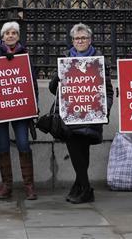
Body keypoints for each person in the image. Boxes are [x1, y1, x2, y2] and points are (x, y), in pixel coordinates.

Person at [48, 23, 113, 204]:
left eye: (83, 38)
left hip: (91, 115)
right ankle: (84, 188)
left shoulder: (99, 61)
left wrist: (104, 110)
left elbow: (107, 90)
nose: (80, 41)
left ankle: (82, 188)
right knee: (76, 152)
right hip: (70, 116)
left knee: (82, 154)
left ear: (90, 40)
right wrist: (58, 77)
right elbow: (54, 89)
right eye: (77, 38)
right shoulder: (66, 59)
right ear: (72, 41)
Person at [0, 21, 39, 200]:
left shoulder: (25, 55)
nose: (10, 36)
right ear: (2, 36)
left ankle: (29, 185)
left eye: (14, 33)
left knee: (23, 143)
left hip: (21, 107)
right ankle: (7, 185)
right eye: (7, 33)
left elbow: (31, 82)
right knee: (3, 145)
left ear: (18, 36)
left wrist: (34, 106)